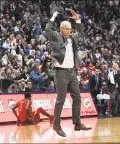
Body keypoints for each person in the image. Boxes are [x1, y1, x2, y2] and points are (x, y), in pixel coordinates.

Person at [45, 9, 91, 137]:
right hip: (61, 73)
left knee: (77, 97)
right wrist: (53, 16)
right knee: (61, 99)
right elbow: (47, 30)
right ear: (62, 28)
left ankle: (77, 124)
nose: (70, 31)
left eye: (71, 29)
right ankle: (56, 125)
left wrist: (77, 19)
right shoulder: (56, 36)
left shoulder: (71, 37)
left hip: (72, 73)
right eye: (68, 29)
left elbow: (80, 32)